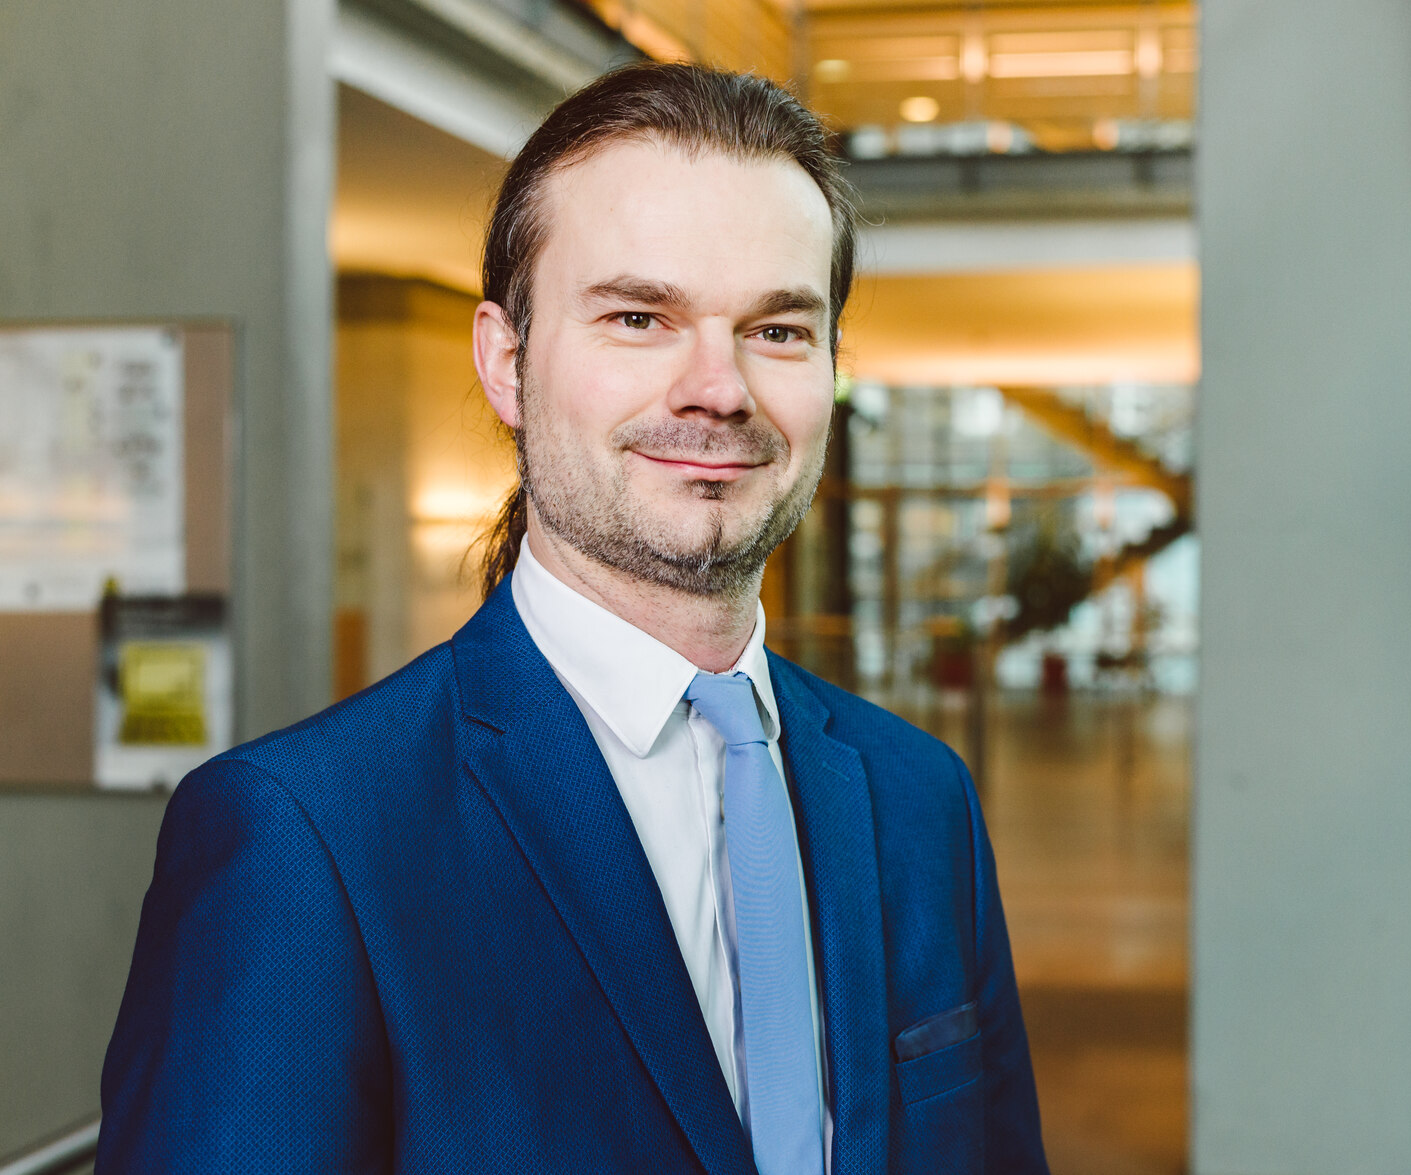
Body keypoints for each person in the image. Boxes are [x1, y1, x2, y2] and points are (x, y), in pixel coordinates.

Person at [98, 63, 1048, 1174]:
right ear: (505, 359)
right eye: (639, 317)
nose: (719, 388)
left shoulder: (917, 796)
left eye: (778, 330)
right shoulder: (304, 840)